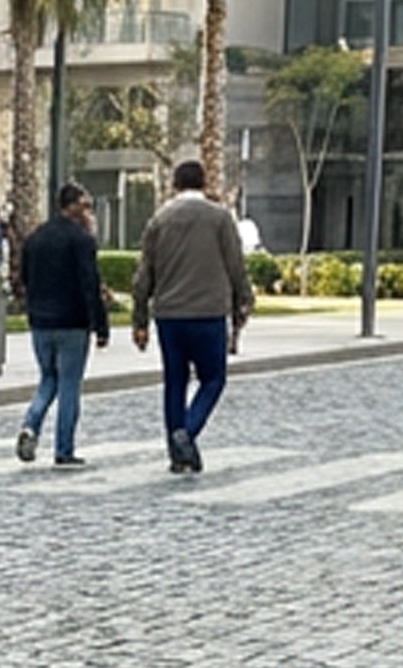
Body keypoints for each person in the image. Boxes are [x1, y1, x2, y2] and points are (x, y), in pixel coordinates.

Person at [130, 158, 253, 475]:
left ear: (174, 185)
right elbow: (235, 265)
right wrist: (244, 301)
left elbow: (144, 275)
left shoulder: (160, 220)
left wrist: (140, 319)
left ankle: (177, 451)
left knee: (175, 381)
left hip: (169, 315)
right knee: (213, 378)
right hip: (208, 312)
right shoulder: (219, 218)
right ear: (204, 183)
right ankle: (188, 432)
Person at [13, 183, 110, 468]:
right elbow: (89, 284)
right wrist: (100, 325)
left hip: (41, 321)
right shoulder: (82, 240)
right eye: (86, 205)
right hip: (72, 322)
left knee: (48, 378)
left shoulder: (36, 238)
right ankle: (64, 448)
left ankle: (31, 424)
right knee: (69, 384)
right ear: (73, 207)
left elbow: (25, 278)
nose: (89, 212)